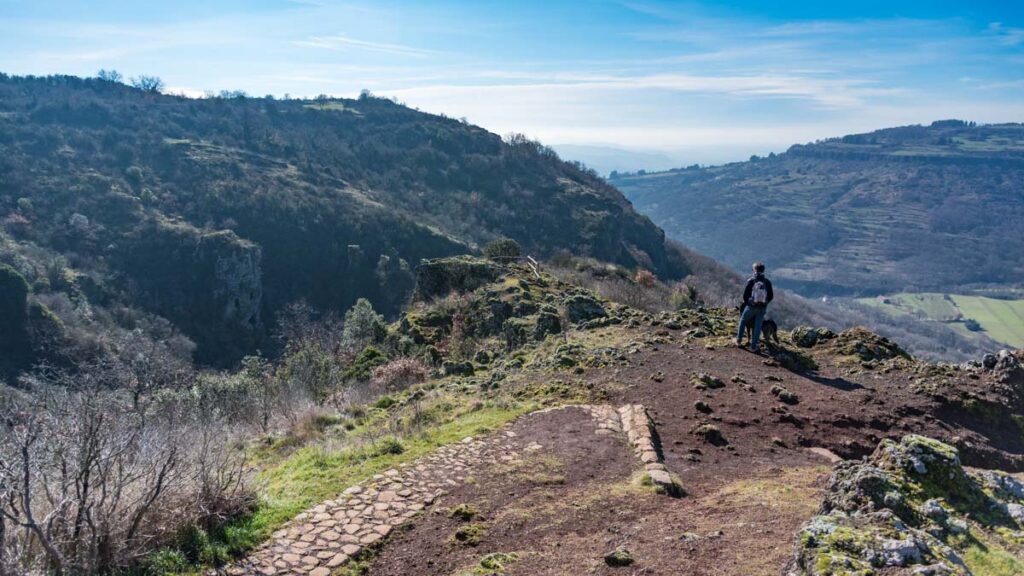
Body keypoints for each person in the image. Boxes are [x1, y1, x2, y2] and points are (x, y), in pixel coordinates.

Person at [735, 262, 774, 352]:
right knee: (758, 325)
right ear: (763, 270)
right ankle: (753, 347)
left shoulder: (751, 281)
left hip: (751, 307)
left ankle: (739, 341)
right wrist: (764, 303)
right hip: (762, 308)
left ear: (754, 270)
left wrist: (750, 303)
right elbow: (771, 296)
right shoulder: (767, 282)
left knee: (743, 320)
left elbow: (745, 296)